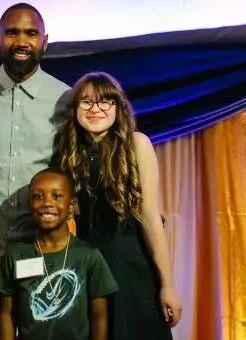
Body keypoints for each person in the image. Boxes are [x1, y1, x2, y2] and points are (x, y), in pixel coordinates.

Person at [0, 3, 70, 339]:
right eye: (12, 32)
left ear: (45, 41)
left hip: (41, 260)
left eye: (31, 33)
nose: (21, 40)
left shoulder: (65, 99)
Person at [58, 72, 182, 339]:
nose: (96, 109)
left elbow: (150, 218)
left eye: (105, 102)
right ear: (75, 109)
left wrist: (168, 286)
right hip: (87, 270)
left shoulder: (137, 144)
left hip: (131, 269)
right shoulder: (67, 152)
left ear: (119, 107)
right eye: (86, 102)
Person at [0, 168, 118, 340]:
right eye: (38, 196)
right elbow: (7, 315)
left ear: (71, 206)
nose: (47, 203)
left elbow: (99, 317)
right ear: (29, 204)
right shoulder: (16, 254)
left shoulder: (88, 256)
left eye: (56, 196)